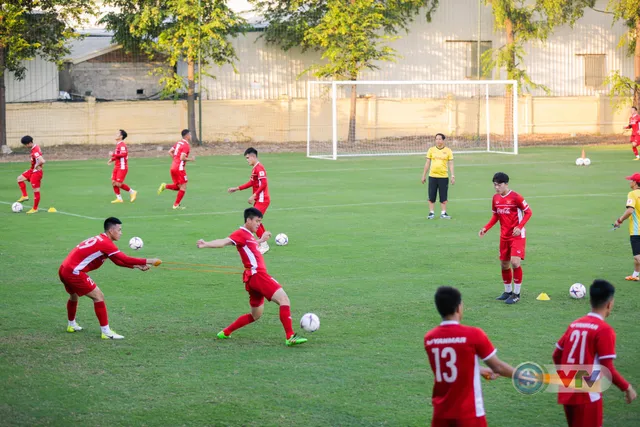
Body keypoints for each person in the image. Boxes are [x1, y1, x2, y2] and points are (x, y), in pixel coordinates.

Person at [196, 207, 307, 346]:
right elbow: (224, 241)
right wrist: (206, 244)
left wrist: (260, 240)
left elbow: (250, 245)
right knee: (284, 299)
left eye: (260, 222)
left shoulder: (249, 235)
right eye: (256, 221)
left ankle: (225, 332)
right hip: (258, 275)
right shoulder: (241, 233)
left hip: (252, 279)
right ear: (248, 220)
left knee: (255, 315)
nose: (258, 224)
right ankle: (290, 336)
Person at [425, 286, 516, 427]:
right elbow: (497, 366)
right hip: (469, 414)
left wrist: (477, 369)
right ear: (458, 307)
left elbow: (448, 364)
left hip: (440, 415)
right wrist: (520, 375)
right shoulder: (473, 335)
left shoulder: (430, 338)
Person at [58, 217, 162, 339]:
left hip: (64, 269)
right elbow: (125, 259)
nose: (121, 233)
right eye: (119, 230)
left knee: (74, 295)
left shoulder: (101, 240)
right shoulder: (106, 243)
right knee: (99, 296)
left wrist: (137, 266)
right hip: (73, 272)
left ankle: (71, 325)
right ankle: (106, 332)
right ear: (111, 230)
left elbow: (117, 261)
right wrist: (150, 260)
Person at [552, 279, 637, 427]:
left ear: (590, 300)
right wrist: (627, 387)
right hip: (588, 394)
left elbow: (556, 355)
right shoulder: (604, 330)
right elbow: (607, 368)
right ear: (610, 304)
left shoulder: (575, 324)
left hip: (568, 391)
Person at [478, 172, 532, 305]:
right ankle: (507, 291)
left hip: (517, 236)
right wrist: (486, 228)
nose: (497, 187)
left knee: (515, 262)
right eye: (495, 185)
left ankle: (516, 294)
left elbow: (528, 212)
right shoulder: (495, 198)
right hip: (504, 236)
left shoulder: (516, 197)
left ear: (506, 184)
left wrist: (519, 226)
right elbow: (495, 216)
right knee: (504, 264)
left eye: (499, 185)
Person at [227, 147, 271, 254]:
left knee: (254, 220)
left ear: (253, 156)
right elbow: (251, 183)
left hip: (262, 199)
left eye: (247, 158)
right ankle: (263, 240)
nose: (247, 160)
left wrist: (254, 195)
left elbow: (264, 183)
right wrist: (237, 188)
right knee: (256, 220)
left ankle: (264, 245)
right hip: (259, 199)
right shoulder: (255, 169)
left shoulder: (259, 168)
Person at [158, 129, 195, 209]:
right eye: (190, 134)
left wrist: (175, 160)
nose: (191, 136)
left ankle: (165, 186)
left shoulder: (179, 143)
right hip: (179, 169)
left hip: (173, 167)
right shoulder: (186, 145)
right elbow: (182, 157)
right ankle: (176, 205)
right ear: (187, 136)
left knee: (179, 187)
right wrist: (191, 159)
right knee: (183, 186)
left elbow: (170, 151)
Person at [613, 173, 640, 281]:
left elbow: (630, 210)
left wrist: (619, 220)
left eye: (631, 180)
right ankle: (635, 275)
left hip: (637, 230)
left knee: (637, 256)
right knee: (638, 254)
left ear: (635, 183)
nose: (629, 182)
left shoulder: (633, 194)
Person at [421, 133, 455, 219]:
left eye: (440, 139)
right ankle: (431, 213)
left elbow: (451, 164)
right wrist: (424, 175)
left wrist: (452, 176)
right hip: (432, 176)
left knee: (443, 195)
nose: (438, 141)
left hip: (443, 176)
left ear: (443, 140)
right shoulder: (431, 150)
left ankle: (443, 213)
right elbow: (427, 163)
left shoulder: (448, 151)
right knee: (432, 195)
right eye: (436, 139)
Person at [16, 135, 45, 214]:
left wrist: (37, 166)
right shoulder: (35, 147)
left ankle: (35, 208)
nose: (25, 146)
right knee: (19, 179)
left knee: (36, 191)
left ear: (29, 143)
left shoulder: (35, 150)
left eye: (25, 145)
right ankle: (25, 196)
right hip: (32, 170)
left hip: (36, 173)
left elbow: (42, 160)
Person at [107, 129, 137, 203]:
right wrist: (112, 159)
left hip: (122, 167)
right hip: (117, 166)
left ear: (121, 136)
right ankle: (119, 199)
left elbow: (124, 155)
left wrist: (113, 155)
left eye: (118, 133)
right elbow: (119, 156)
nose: (116, 134)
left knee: (118, 184)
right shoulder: (118, 145)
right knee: (113, 182)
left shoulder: (122, 145)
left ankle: (132, 192)